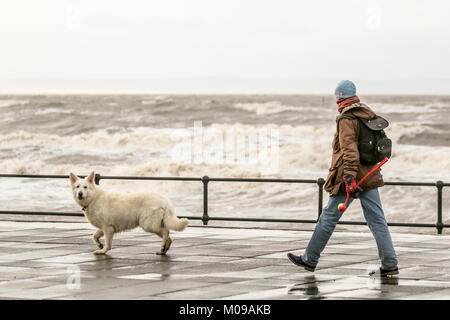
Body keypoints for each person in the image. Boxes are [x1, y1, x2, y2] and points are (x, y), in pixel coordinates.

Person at [287, 80, 398, 277]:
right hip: (369, 175)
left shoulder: (347, 118)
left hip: (352, 178)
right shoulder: (367, 114)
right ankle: (389, 263)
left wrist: (349, 178)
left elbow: (349, 151)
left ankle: (310, 259)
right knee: (378, 221)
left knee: (328, 218)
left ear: (339, 97)